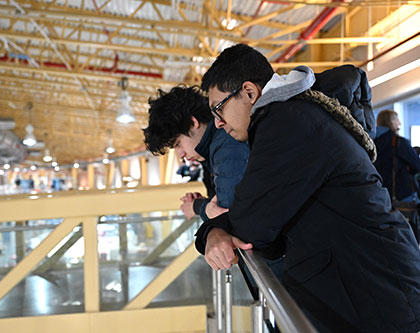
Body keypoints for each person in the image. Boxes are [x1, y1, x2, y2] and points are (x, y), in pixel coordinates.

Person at [196, 44, 420, 332]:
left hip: (376, 298)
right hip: (372, 288)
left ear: (250, 92)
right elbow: (265, 226)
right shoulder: (293, 116)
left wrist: (208, 231)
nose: (218, 122)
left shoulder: (287, 123)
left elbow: (253, 226)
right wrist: (215, 229)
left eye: (219, 108)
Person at [143, 85, 249, 222]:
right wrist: (207, 203)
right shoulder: (214, 149)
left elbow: (231, 217)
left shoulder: (225, 147)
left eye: (177, 144)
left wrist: (197, 207)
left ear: (193, 123)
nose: (180, 154)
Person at [374, 110, 420, 202]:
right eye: (397, 120)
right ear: (390, 121)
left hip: (381, 195)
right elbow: (417, 166)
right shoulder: (399, 142)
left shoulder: (372, 143)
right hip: (403, 194)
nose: (400, 123)